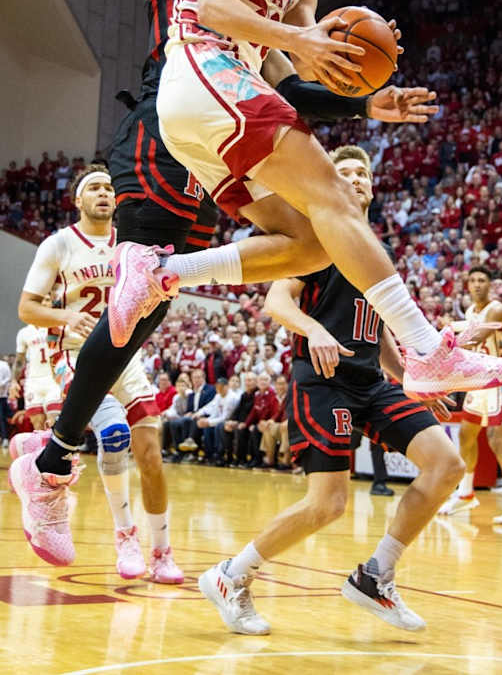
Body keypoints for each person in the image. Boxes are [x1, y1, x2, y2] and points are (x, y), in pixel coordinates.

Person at [21, 0, 435, 500]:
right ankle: (58, 452)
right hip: (166, 126)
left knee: (285, 246)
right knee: (144, 311)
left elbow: (288, 83)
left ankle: (60, 454)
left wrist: (364, 100)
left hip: (227, 124)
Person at [114, 0, 502, 406]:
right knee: (335, 192)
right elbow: (212, 5)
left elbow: (295, 82)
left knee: (310, 242)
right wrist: (301, 38)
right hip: (199, 69)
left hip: (218, 107)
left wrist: (364, 98)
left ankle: (162, 274)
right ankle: (425, 348)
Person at [198, 146, 465, 635]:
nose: (356, 179)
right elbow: (277, 301)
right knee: (329, 503)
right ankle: (230, 576)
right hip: (322, 381)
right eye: (344, 173)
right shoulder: (316, 238)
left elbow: (379, 329)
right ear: (329, 184)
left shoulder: (371, 248)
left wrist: (409, 378)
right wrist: (313, 329)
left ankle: (375, 575)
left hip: (371, 380)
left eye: (363, 172)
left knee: (447, 464)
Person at [9, 165, 185, 582]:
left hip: (127, 356)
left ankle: (161, 551)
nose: (105, 193)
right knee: (113, 434)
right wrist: (67, 317)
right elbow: (26, 308)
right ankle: (125, 536)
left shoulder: (135, 242)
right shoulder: (58, 245)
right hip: (74, 352)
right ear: (78, 200)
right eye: (95, 188)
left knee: (150, 453)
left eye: (109, 187)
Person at [439, 267, 502, 524]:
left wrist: (444, 336)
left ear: (490, 285)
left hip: (501, 378)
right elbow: (467, 331)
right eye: (473, 280)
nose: (477, 284)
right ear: (467, 285)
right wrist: (448, 328)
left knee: (497, 440)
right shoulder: (471, 312)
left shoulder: (496, 309)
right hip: (480, 379)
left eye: (482, 280)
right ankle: (466, 493)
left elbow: (472, 338)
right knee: (466, 433)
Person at [9, 323, 62, 437]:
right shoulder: (24, 332)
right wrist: (13, 381)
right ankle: (41, 454)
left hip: (53, 379)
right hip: (33, 381)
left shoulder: (53, 325)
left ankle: (60, 453)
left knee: (54, 422)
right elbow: (19, 361)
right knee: (38, 426)